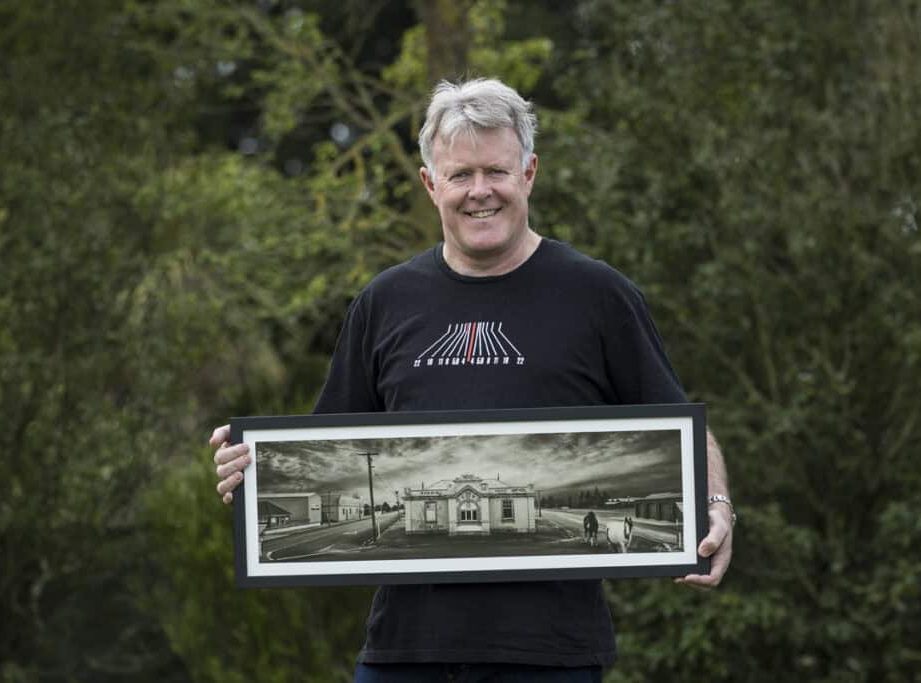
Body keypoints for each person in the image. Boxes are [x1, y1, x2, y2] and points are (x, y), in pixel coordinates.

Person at [211, 78, 734, 682]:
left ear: (529, 173)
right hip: (404, 652)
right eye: (460, 176)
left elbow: (679, 429)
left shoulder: (599, 295)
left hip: (550, 655)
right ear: (431, 184)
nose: (479, 192)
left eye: (497, 172)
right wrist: (255, 468)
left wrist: (716, 506)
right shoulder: (382, 303)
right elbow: (326, 451)